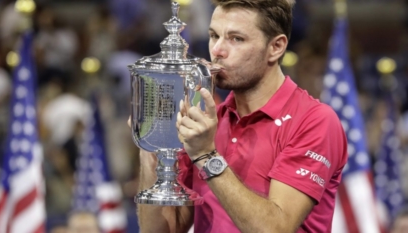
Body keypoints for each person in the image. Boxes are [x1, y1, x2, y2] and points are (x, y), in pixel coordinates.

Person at [133, 0, 348, 232]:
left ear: (276, 47)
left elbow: (275, 228)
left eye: (236, 39)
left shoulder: (314, 120)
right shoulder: (207, 123)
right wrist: (153, 145)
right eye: (214, 36)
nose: (217, 51)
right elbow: (162, 230)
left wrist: (206, 155)